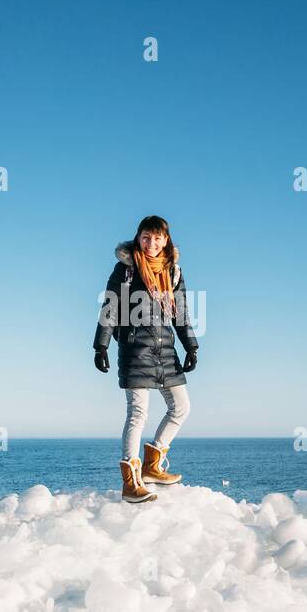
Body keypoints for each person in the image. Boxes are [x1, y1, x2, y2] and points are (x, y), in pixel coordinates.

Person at [93, 215, 199, 503]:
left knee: (181, 406)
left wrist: (191, 346)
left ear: (166, 240)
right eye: (146, 237)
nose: (151, 243)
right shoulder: (126, 269)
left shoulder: (173, 272)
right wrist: (100, 346)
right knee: (138, 413)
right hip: (135, 349)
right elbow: (110, 307)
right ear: (138, 238)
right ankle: (131, 483)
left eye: (157, 238)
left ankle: (152, 466)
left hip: (165, 351)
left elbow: (180, 313)